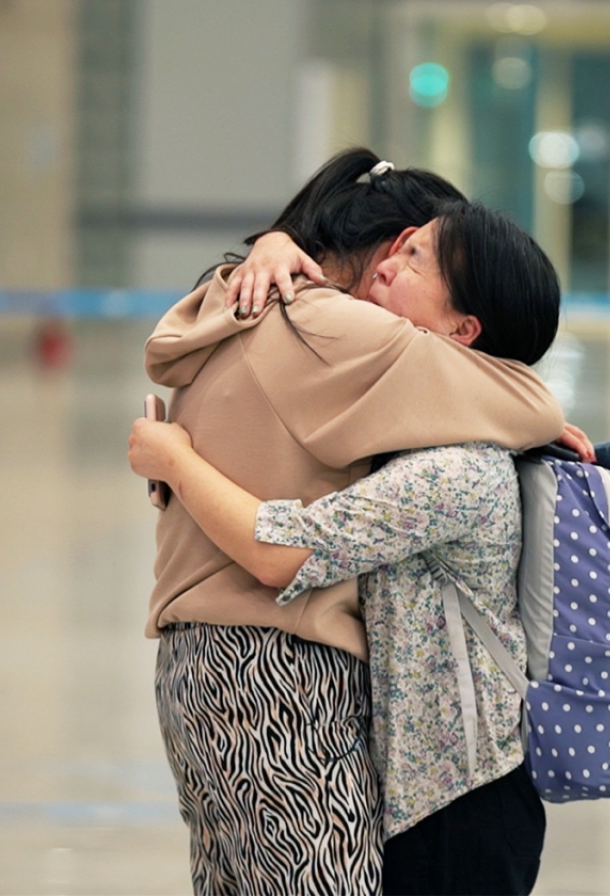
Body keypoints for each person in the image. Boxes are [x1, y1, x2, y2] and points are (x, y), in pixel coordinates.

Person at [130, 148, 586, 896]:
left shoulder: (238, 305)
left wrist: (276, 246)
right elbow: (528, 399)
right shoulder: (343, 334)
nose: (393, 270)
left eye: (421, 258)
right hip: (281, 672)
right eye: (407, 248)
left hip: (193, 668)